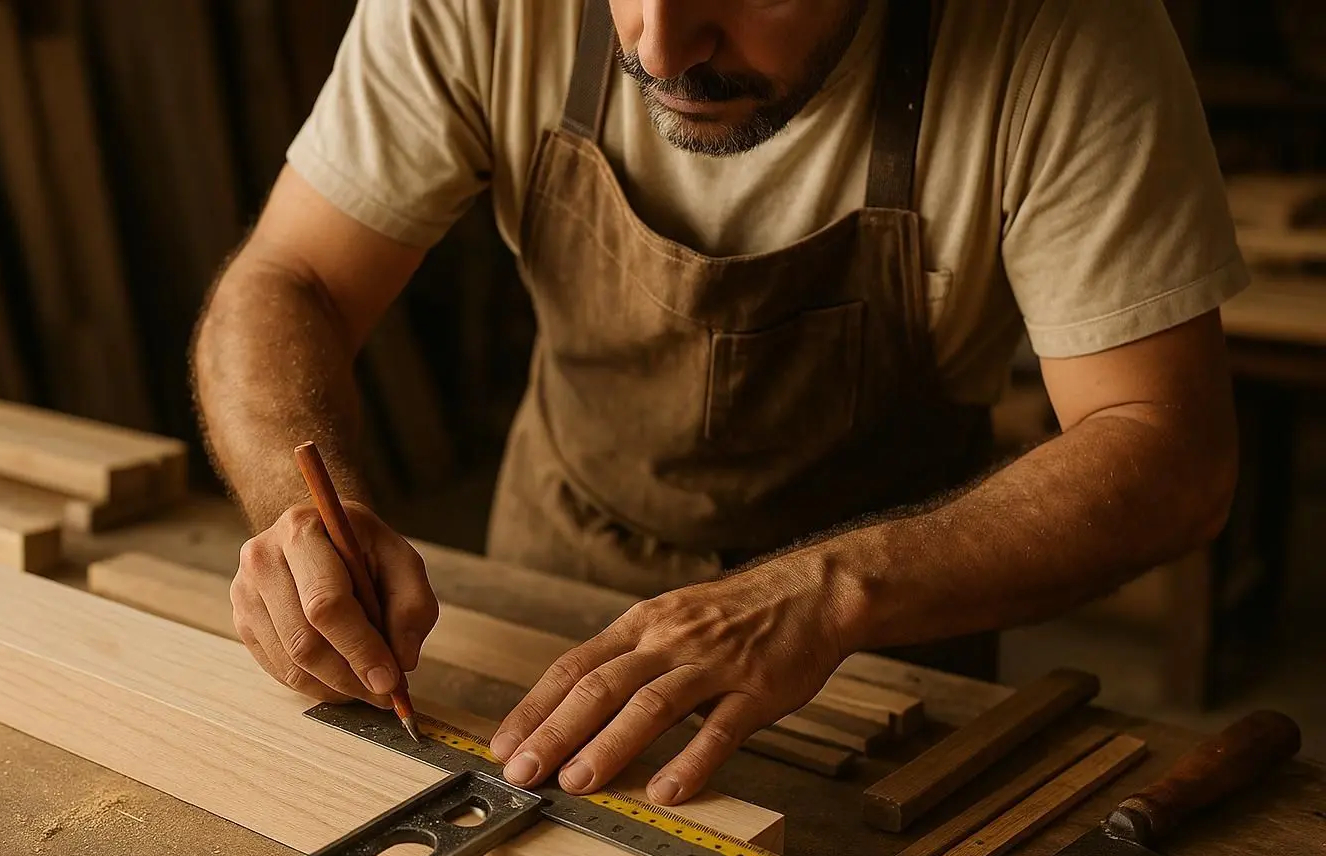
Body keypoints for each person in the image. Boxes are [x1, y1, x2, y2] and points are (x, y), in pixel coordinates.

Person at [192, 0, 1246, 807]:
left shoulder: (1063, 34)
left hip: (881, 674)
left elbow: (1169, 448)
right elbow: (294, 278)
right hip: (546, 611)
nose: (659, 49)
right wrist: (301, 509)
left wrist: (829, 590)